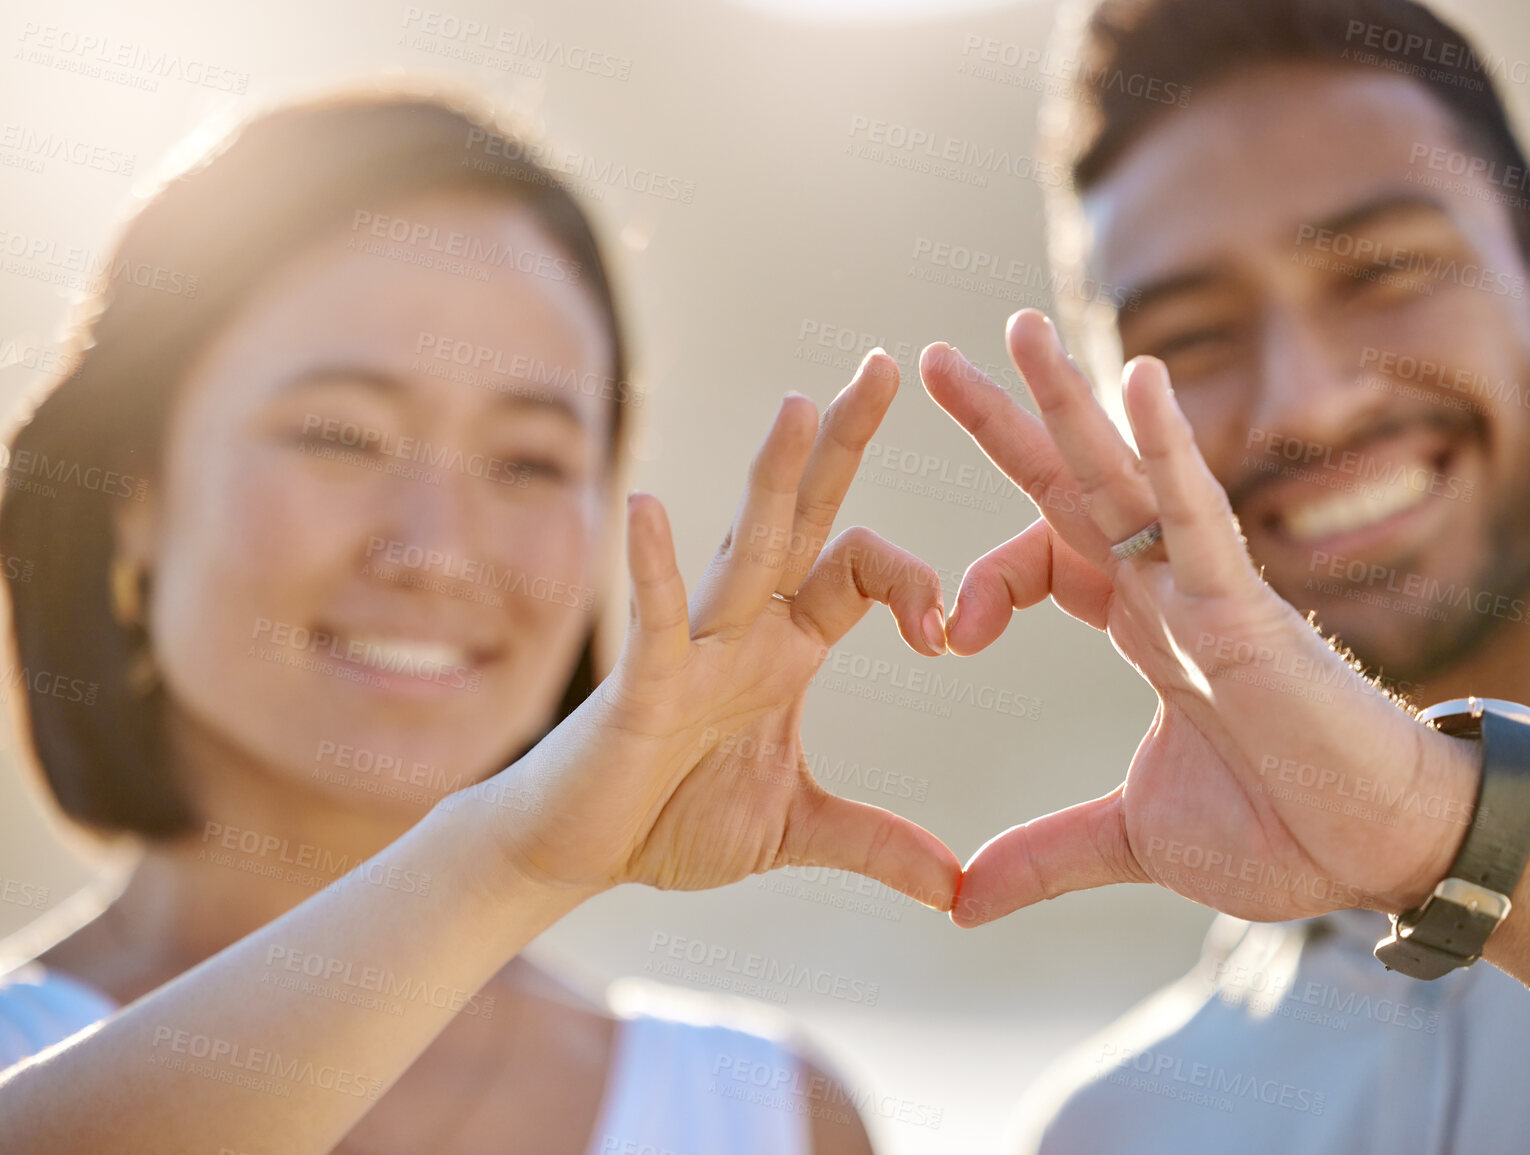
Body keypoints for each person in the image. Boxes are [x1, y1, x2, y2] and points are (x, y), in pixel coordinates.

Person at [0, 86, 961, 1155]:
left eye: (527, 462)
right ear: (129, 494)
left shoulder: (765, 1114)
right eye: (340, 436)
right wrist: (507, 867)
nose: (438, 550)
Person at [923, 0, 1530, 1151]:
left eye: (1388, 272)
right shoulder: (1118, 1129)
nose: (1306, 402)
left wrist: (1442, 825)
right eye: (1191, 338)